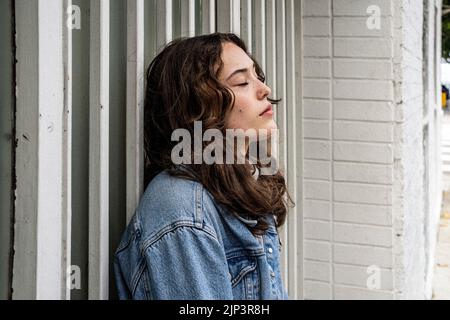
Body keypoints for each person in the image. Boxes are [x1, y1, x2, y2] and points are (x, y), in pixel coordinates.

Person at [114, 33, 293, 300]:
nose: (264, 89)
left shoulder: (243, 183)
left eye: (259, 77)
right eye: (242, 81)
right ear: (201, 105)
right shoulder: (182, 209)